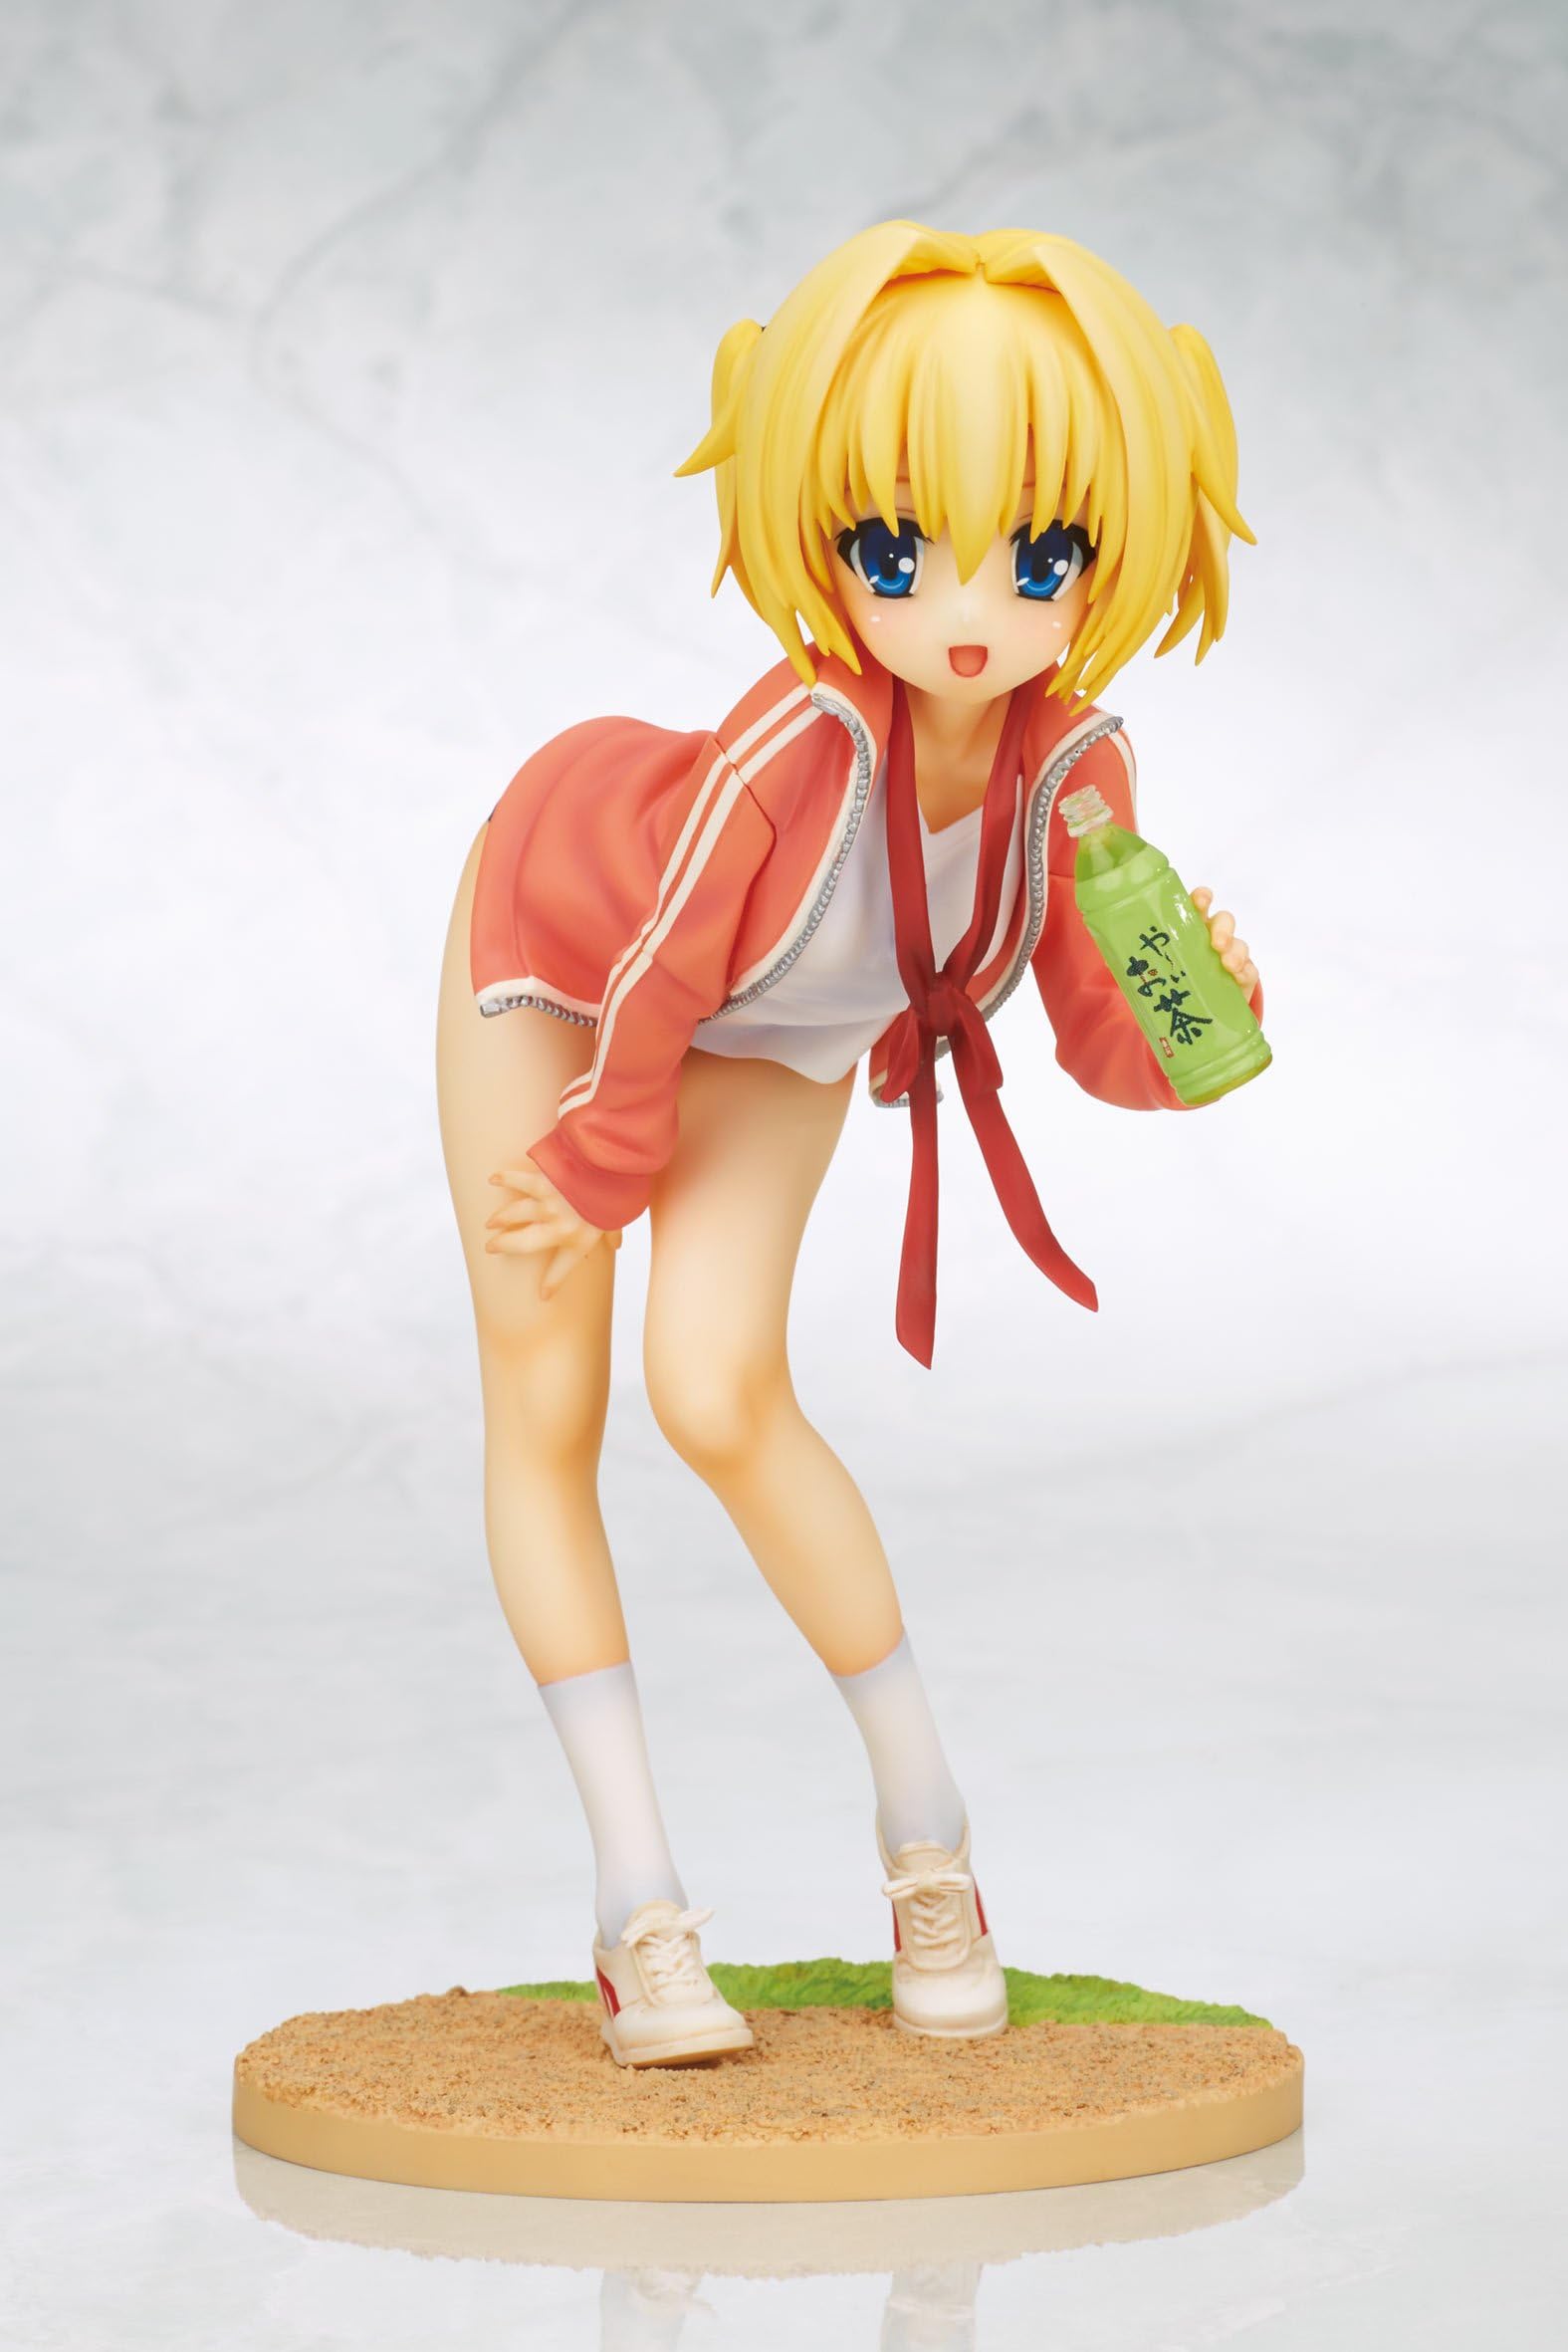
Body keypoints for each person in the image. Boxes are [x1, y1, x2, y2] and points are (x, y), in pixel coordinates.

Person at [435, 221, 1262, 2066]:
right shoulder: (793, 741)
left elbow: (1095, 1032)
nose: (970, 603)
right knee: (548, 1394)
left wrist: (1199, 1015)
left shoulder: (1073, 770)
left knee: (719, 1392)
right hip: (564, 951)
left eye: (1039, 553)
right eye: (902, 545)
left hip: (774, 1031)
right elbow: (656, 966)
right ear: (829, 538)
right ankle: (636, 1902)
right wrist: (587, 1167)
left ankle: (928, 1832)